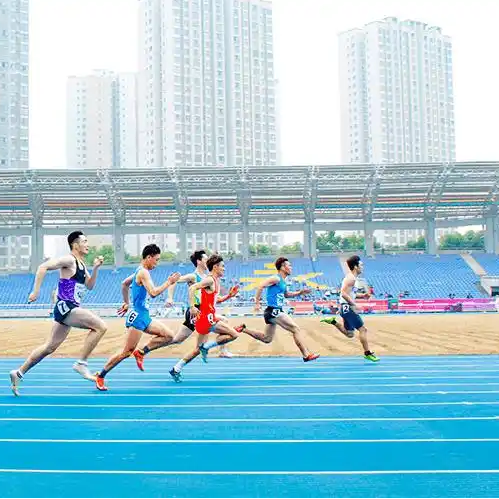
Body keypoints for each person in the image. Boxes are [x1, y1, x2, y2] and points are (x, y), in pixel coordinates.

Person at [9, 231, 108, 396]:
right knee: (100, 327)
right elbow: (43, 267)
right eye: (84, 241)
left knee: (49, 347)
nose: (87, 244)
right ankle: (81, 363)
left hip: (69, 308)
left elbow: (90, 286)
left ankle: (18, 373)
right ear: (75, 245)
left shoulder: (82, 265)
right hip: (67, 306)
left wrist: (96, 268)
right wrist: (35, 291)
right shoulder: (69, 260)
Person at [131, 250, 239, 371]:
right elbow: (174, 281)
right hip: (196, 312)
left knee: (177, 339)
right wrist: (170, 297)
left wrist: (228, 296)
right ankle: (219, 350)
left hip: (204, 311)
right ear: (199, 261)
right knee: (220, 324)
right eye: (205, 258)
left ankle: (146, 351)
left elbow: (214, 300)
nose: (208, 260)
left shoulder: (209, 279)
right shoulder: (194, 276)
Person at [95, 244, 181, 391]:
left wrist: (126, 303)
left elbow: (124, 284)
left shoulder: (138, 271)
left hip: (144, 315)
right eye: (156, 260)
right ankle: (101, 375)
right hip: (138, 318)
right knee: (126, 352)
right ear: (148, 257)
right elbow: (153, 293)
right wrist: (169, 282)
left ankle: (141, 352)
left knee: (168, 336)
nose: (157, 264)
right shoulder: (143, 272)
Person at [169, 254, 242, 382]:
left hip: (206, 319)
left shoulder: (215, 281)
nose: (224, 269)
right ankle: (208, 347)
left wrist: (229, 296)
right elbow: (192, 288)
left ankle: (176, 368)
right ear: (215, 267)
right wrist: (192, 306)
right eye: (222, 266)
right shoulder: (210, 280)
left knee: (197, 349)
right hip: (207, 319)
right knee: (234, 334)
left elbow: (216, 300)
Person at [239, 257, 320, 362]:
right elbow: (260, 286)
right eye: (289, 265)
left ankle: (243, 329)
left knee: (267, 339)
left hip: (274, 311)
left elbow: (287, 295)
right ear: (282, 267)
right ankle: (306, 355)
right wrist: (257, 303)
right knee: (295, 329)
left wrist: (300, 293)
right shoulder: (276, 278)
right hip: (274, 310)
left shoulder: (283, 282)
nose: (291, 267)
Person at [321, 255, 379, 362]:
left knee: (350, 334)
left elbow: (350, 294)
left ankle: (333, 322)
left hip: (345, 307)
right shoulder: (351, 278)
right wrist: (354, 305)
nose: (362, 267)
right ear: (355, 266)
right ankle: (367, 353)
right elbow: (343, 293)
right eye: (361, 265)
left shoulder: (352, 278)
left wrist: (362, 296)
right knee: (363, 329)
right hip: (347, 307)